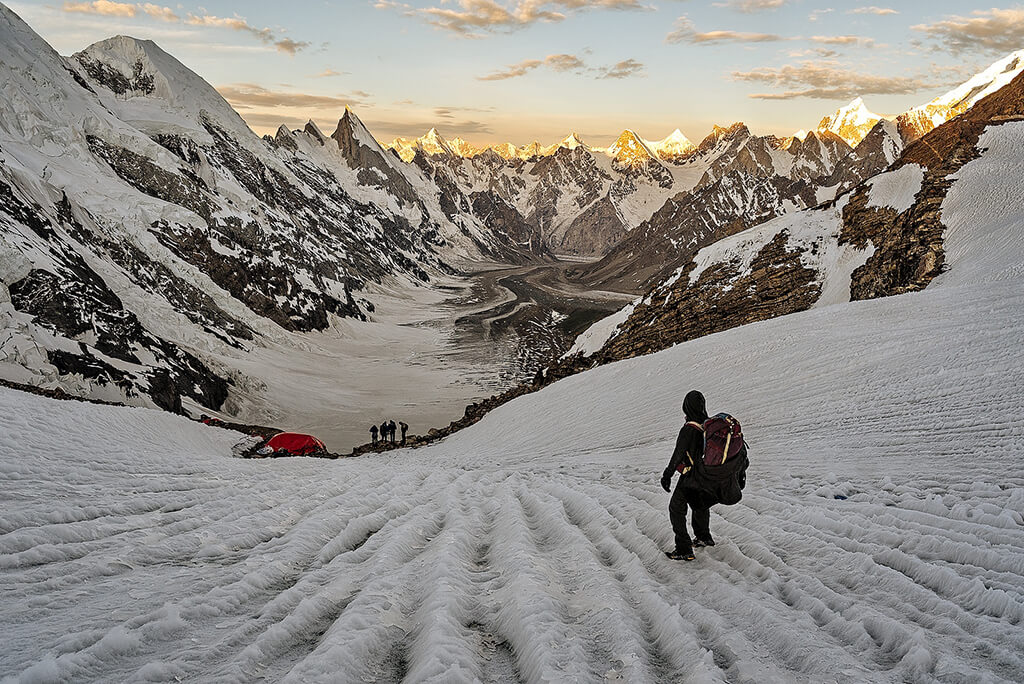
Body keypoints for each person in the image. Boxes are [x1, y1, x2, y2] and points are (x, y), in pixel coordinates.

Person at [661, 390, 713, 561]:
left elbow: (678, 454)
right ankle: (704, 537)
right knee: (700, 504)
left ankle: (684, 549)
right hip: (706, 475)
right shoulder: (708, 425)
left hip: (690, 476)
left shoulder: (689, 429)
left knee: (676, 509)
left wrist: (667, 475)